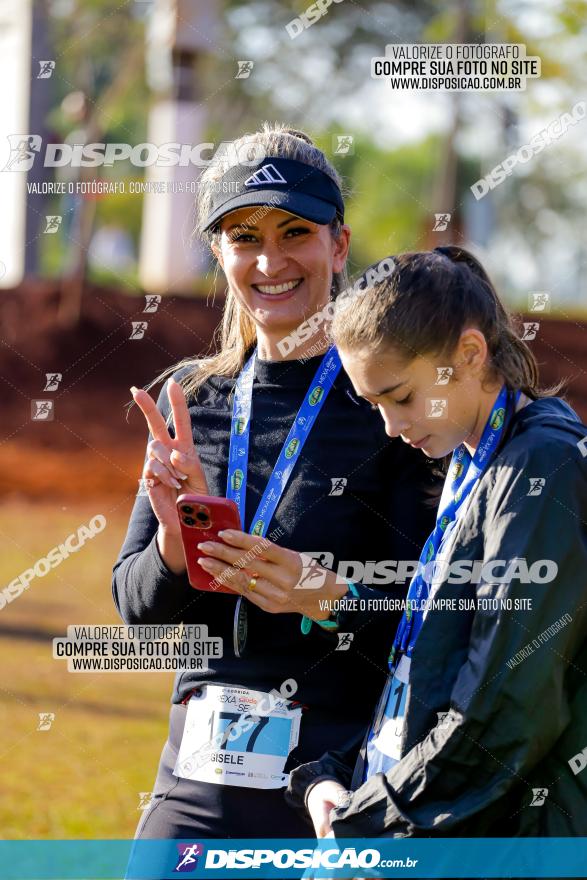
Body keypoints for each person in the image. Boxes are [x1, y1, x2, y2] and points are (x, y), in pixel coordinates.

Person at [112, 124, 439, 842]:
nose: (270, 260)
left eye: (295, 232)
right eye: (243, 237)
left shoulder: (388, 402)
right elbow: (138, 615)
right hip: (198, 776)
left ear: (338, 245)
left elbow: (444, 609)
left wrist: (331, 596)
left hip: (346, 775)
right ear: (219, 253)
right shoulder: (188, 399)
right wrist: (172, 548)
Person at [284, 246, 587, 839]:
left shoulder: (540, 464)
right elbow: (435, 664)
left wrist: (373, 819)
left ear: (470, 354)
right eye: (374, 406)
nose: (392, 428)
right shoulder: (474, 458)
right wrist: (338, 775)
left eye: (401, 397)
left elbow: (508, 709)